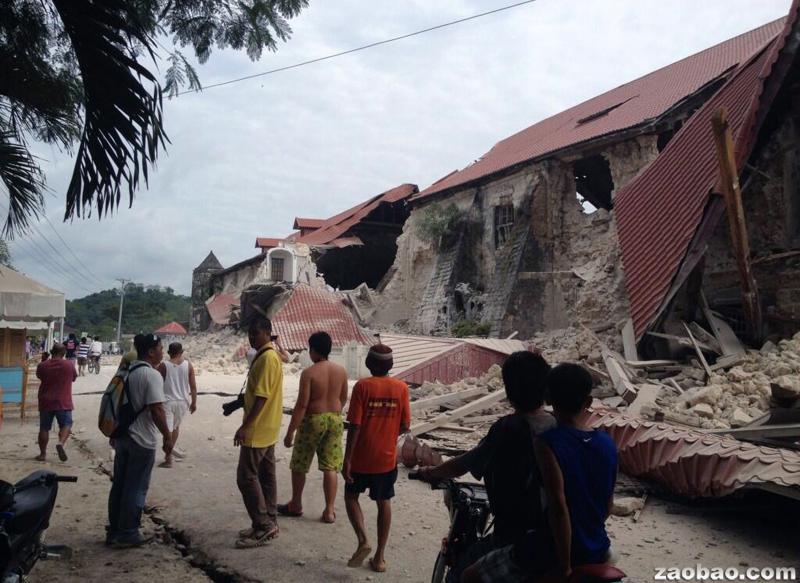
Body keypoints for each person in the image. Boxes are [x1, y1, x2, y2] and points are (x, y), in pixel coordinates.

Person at [462, 363, 618, 583]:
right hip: (598, 545)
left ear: (547, 397)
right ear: (588, 402)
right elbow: (608, 505)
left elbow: (558, 508)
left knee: (470, 577)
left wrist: (564, 565)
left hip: (552, 549)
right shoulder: (607, 443)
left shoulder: (547, 443)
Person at [417, 351, 554, 578]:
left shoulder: (508, 429)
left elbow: (464, 463)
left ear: (509, 391)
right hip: (554, 534)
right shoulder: (556, 424)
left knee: (460, 576)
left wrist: (430, 472)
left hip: (516, 536)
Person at [342, 344, 410, 574]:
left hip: (361, 457)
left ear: (368, 364)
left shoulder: (362, 387)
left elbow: (355, 425)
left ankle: (363, 540)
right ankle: (379, 558)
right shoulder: (401, 388)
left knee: (351, 497)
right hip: (386, 459)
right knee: (384, 502)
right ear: (390, 365)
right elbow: (405, 425)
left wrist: (347, 459)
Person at [107, 334, 173, 548]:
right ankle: (128, 533)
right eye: (161, 348)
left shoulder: (126, 370)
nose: (163, 352)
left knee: (120, 485)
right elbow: (156, 408)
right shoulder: (151, 375)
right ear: (152, 351)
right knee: (136, 487)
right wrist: (168, 435)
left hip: (122, 436)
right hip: (142, 439)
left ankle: (114, 530)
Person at [279, 331, 348, 523]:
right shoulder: (341, 371)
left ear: (313, 350)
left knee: (300, 463)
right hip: (335, 419)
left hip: (313, 420)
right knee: (330, 466)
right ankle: (329, 510)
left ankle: (296, 504)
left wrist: (290, 432)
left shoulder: (309, 373)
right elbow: (342, 398)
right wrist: (332, 413)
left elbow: (301, 405)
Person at [233, 316, 284, 548]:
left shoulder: (266, 359)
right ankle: (268, 520)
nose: (251, 337)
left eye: (255, 333)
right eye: (249, 334)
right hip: (269, 426)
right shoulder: (268, 356)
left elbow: (262, 397)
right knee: (266, 475)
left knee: (246, 477)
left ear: (267, 333)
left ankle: (263, 524)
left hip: (259, 428)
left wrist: (245, 426)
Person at [156, 342, 198, 468]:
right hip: (183, 402)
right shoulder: (188, 365)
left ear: (169, 353)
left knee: (166, 431)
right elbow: (193, 386)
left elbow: (157, 383)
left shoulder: (164, 366)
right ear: (181, 352)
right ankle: (169, 453)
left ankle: (168, 458)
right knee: (175, 428)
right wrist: (194, 402)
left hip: (167, 401)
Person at [35, 343, 77, 462]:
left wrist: (43, 361)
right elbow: (74, 378)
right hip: (63, 401)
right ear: (64, 353)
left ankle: (42, 454)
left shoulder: (43, 365)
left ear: (52, 351)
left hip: (45, 400)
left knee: (44, 428)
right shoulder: (69, 365)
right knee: (66, 425)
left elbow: (39, 376)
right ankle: (60, 443)